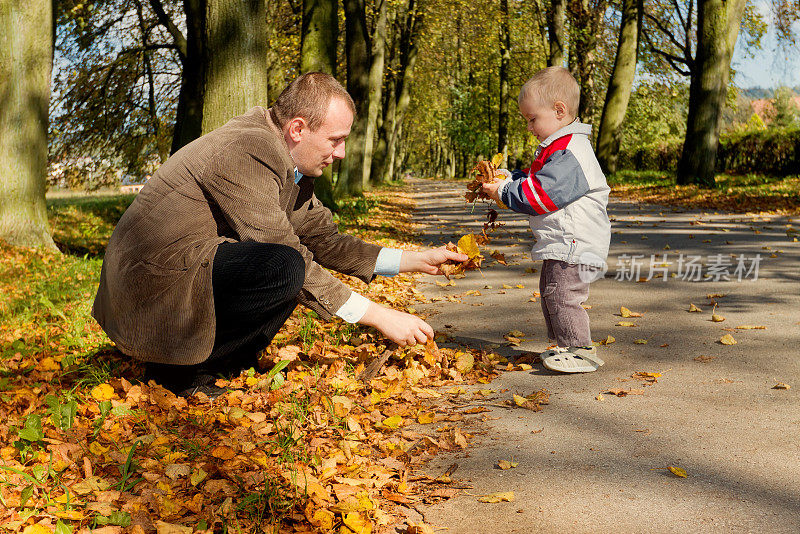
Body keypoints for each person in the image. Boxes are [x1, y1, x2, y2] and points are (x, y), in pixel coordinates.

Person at [92, 72, 466, 396]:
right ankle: (179, 371)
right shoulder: (248, 149)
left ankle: (221, 367)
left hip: (182, 272)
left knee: (288, 267)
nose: (341, 153)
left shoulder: (288, 161)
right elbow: (283, 248)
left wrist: (414, 261)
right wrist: (377, 315)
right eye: (335, 139)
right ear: (298, 128)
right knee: (283, 265)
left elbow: (325, 240)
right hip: (148, 288)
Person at [481, 66, 611, 373]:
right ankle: (565, 346)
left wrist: (504, 191)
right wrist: (510, 178)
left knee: (563, 296)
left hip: (574, 242)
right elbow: (538, 181)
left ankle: (580, 350)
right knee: (552, 291)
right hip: (565, 241)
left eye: (532, 119)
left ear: (559, 110)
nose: (528, 127)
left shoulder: (569, 152)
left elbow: (541, 195)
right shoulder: (558, 149)